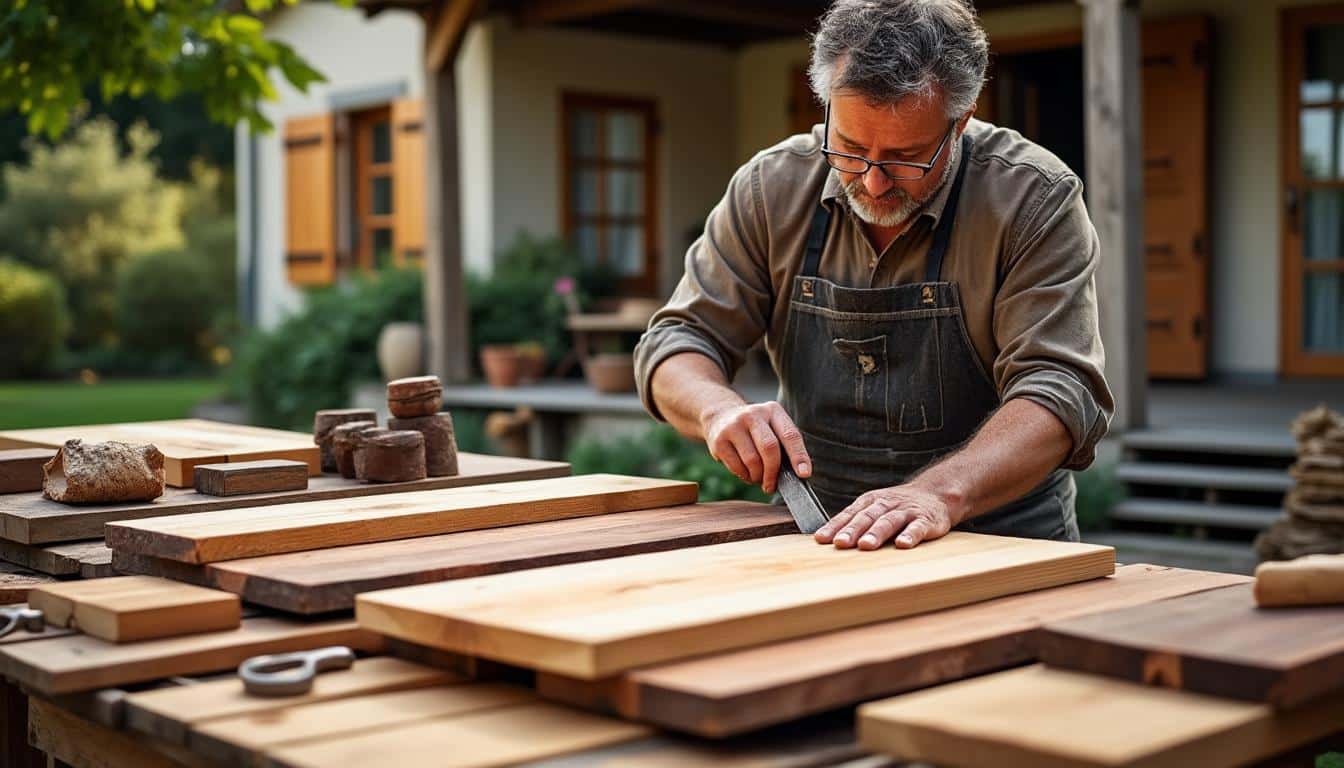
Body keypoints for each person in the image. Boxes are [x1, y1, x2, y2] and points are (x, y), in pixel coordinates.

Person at [633, 0, 1114, 550]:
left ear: (962, 121)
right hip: (817, 534)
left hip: (1002, 536)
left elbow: (1059, 388)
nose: (875, 183)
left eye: (906, 158)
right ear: (827, 107)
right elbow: (677, 341)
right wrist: (716, 410)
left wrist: (940, 493)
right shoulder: (772, 187)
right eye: (851, 149)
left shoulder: (1031, 197)